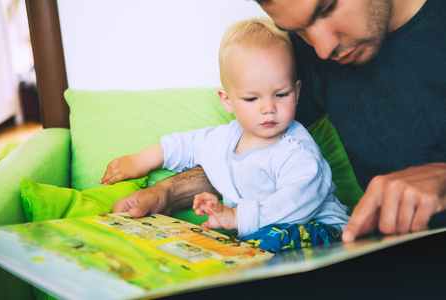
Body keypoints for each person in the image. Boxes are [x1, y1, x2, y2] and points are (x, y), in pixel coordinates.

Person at [111, 0, 446, 243]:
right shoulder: (300, 58)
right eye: (298, 29)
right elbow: (255, 154)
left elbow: (300, 177)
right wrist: (165, 193)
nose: (323, 49)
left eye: (328, 7)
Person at [101, 18, 350, 253]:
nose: (268, 108)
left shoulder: (296, 149)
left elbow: (297, 202)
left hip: (324, 231)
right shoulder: (225, 139)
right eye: (252, 98)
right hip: (263, 234)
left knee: (259, 246)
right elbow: (187, 145)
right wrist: (141, 160)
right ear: (227, 101)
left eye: (281, 94)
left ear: (297, 92)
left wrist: (236, 217)